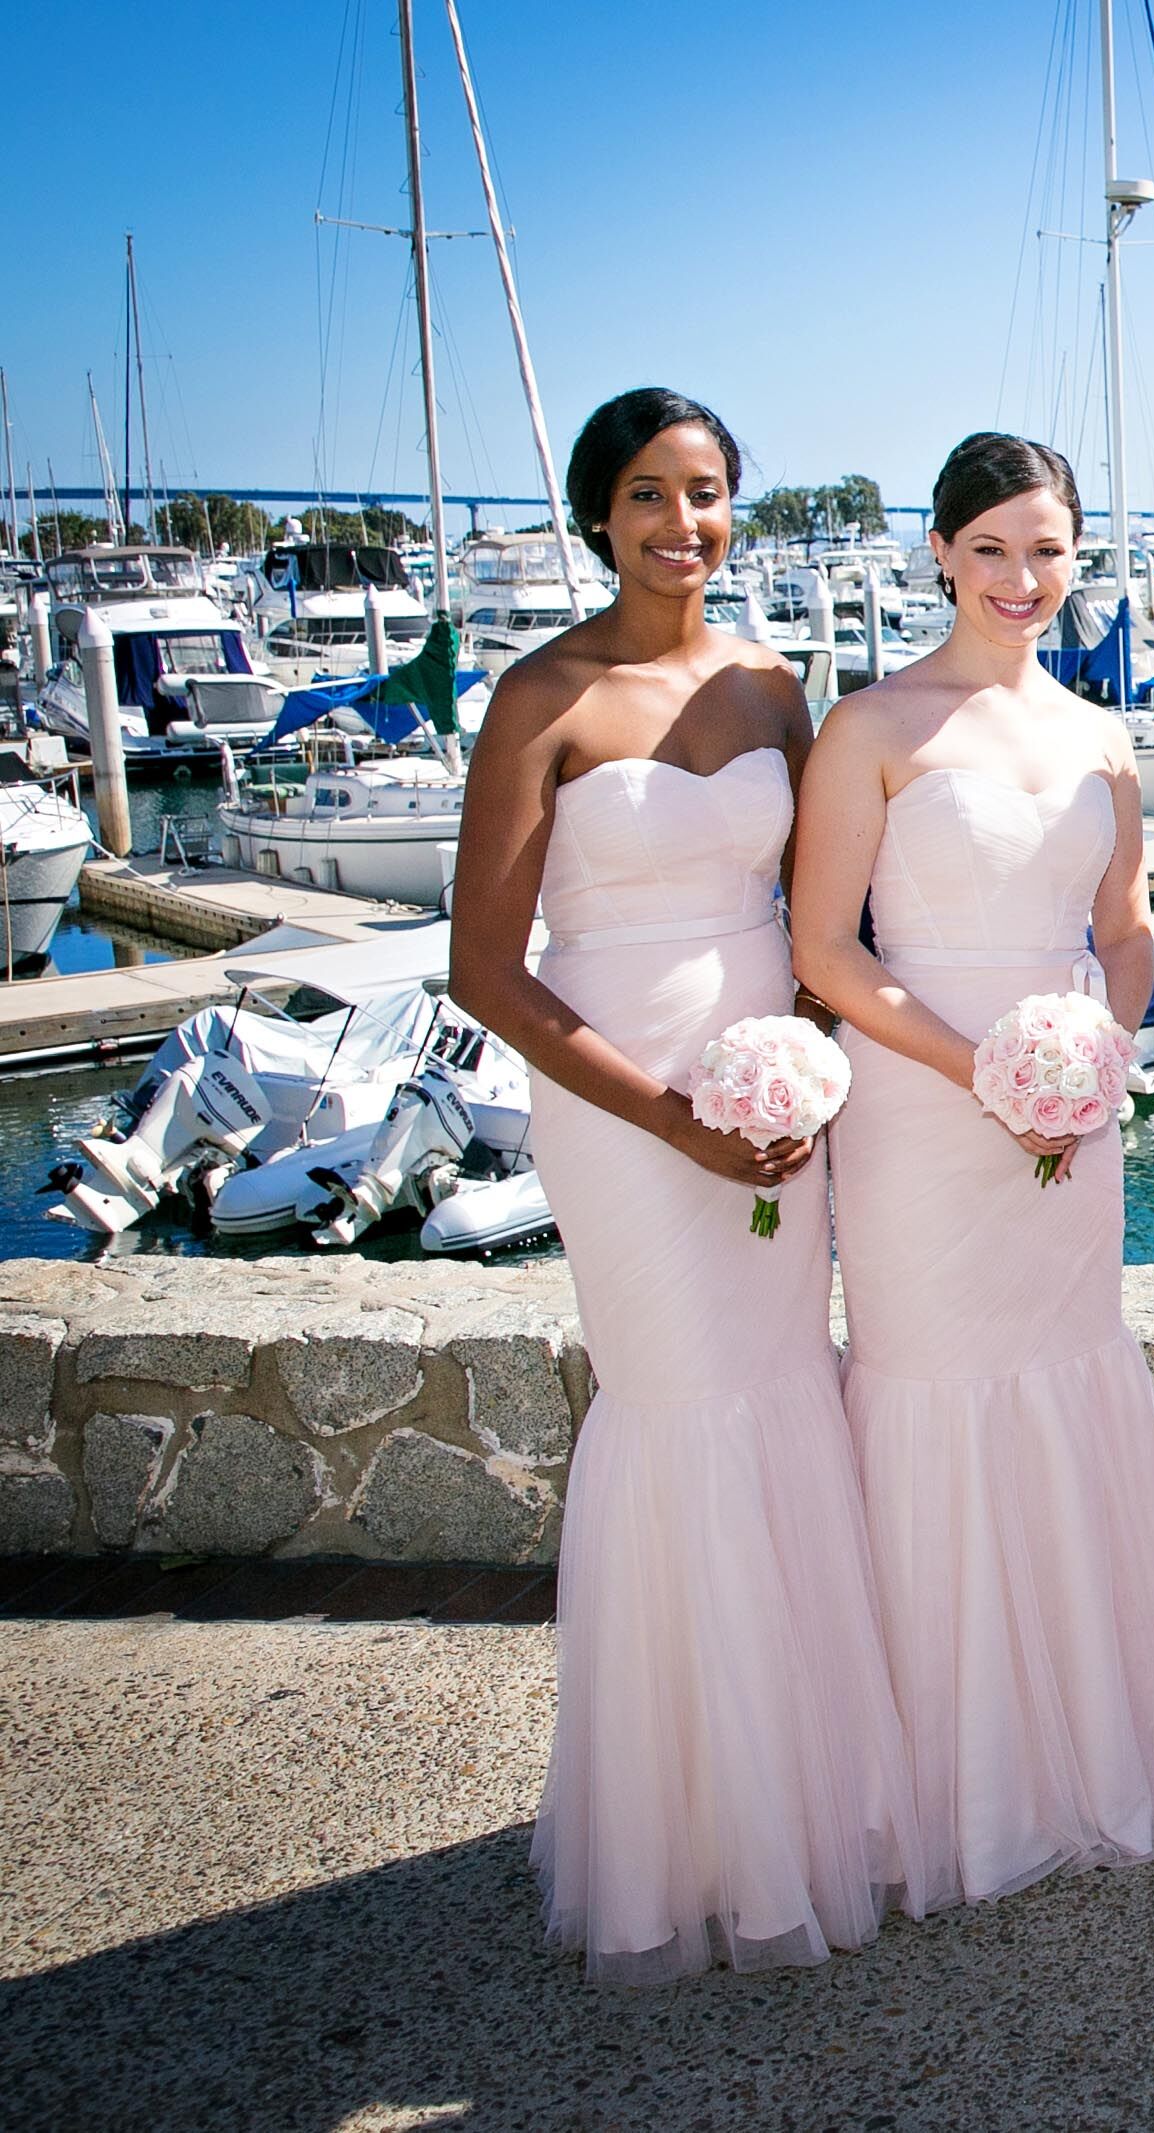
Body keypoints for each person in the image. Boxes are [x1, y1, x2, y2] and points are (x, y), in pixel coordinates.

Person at [451, 387, 911, 1982]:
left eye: (706, 493)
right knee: (682, 1406)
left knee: (785, 1394)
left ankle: (806, 1798)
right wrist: (670, 1115)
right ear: (596, 513)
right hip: (620, 1098)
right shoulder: (542, 697)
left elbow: (812, 918)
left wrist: (797, 1066)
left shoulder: (777, 686)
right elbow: (483, 973)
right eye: (647, 493)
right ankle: (688, 1839)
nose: (682, 523)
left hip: (768, 1094)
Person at [790, 433, 1154, 1906]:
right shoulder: (873, 726)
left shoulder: (1104, 737)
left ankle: (1084, 1743)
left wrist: (1094, 1050)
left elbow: (1123, 931)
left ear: (1077, 555)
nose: (1023, 579)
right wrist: (982, 1066)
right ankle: (945, 1781)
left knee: (1065, 1365)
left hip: (1067, 1113)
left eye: (1050, 549)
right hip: (919, 1104)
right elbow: (824, 949)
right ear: (942, 555)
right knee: (937, 1383)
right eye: (993, 550)